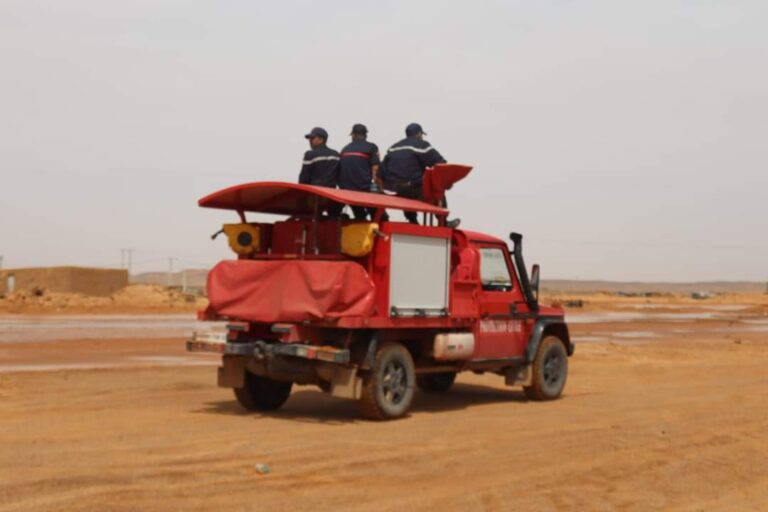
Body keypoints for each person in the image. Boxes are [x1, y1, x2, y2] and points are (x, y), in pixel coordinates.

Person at [381, 123, 446, 223]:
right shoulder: (422, 145)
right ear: (419, 134)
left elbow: (381, 171)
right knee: (436, 190)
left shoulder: (393, 147)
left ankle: (412, 220)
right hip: (411, 189)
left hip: (391, 190)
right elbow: (441, 164)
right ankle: (444, 222)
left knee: (406, 188)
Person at [339, 123, 381, 220]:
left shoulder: (345, 148)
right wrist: (377, 186)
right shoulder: (371, 147)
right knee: (379, 214)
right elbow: (375, 167)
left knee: (359, 213)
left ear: (353, 135)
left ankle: (361, 221)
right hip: (363, 188)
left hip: (345, 189)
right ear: (365, 135)